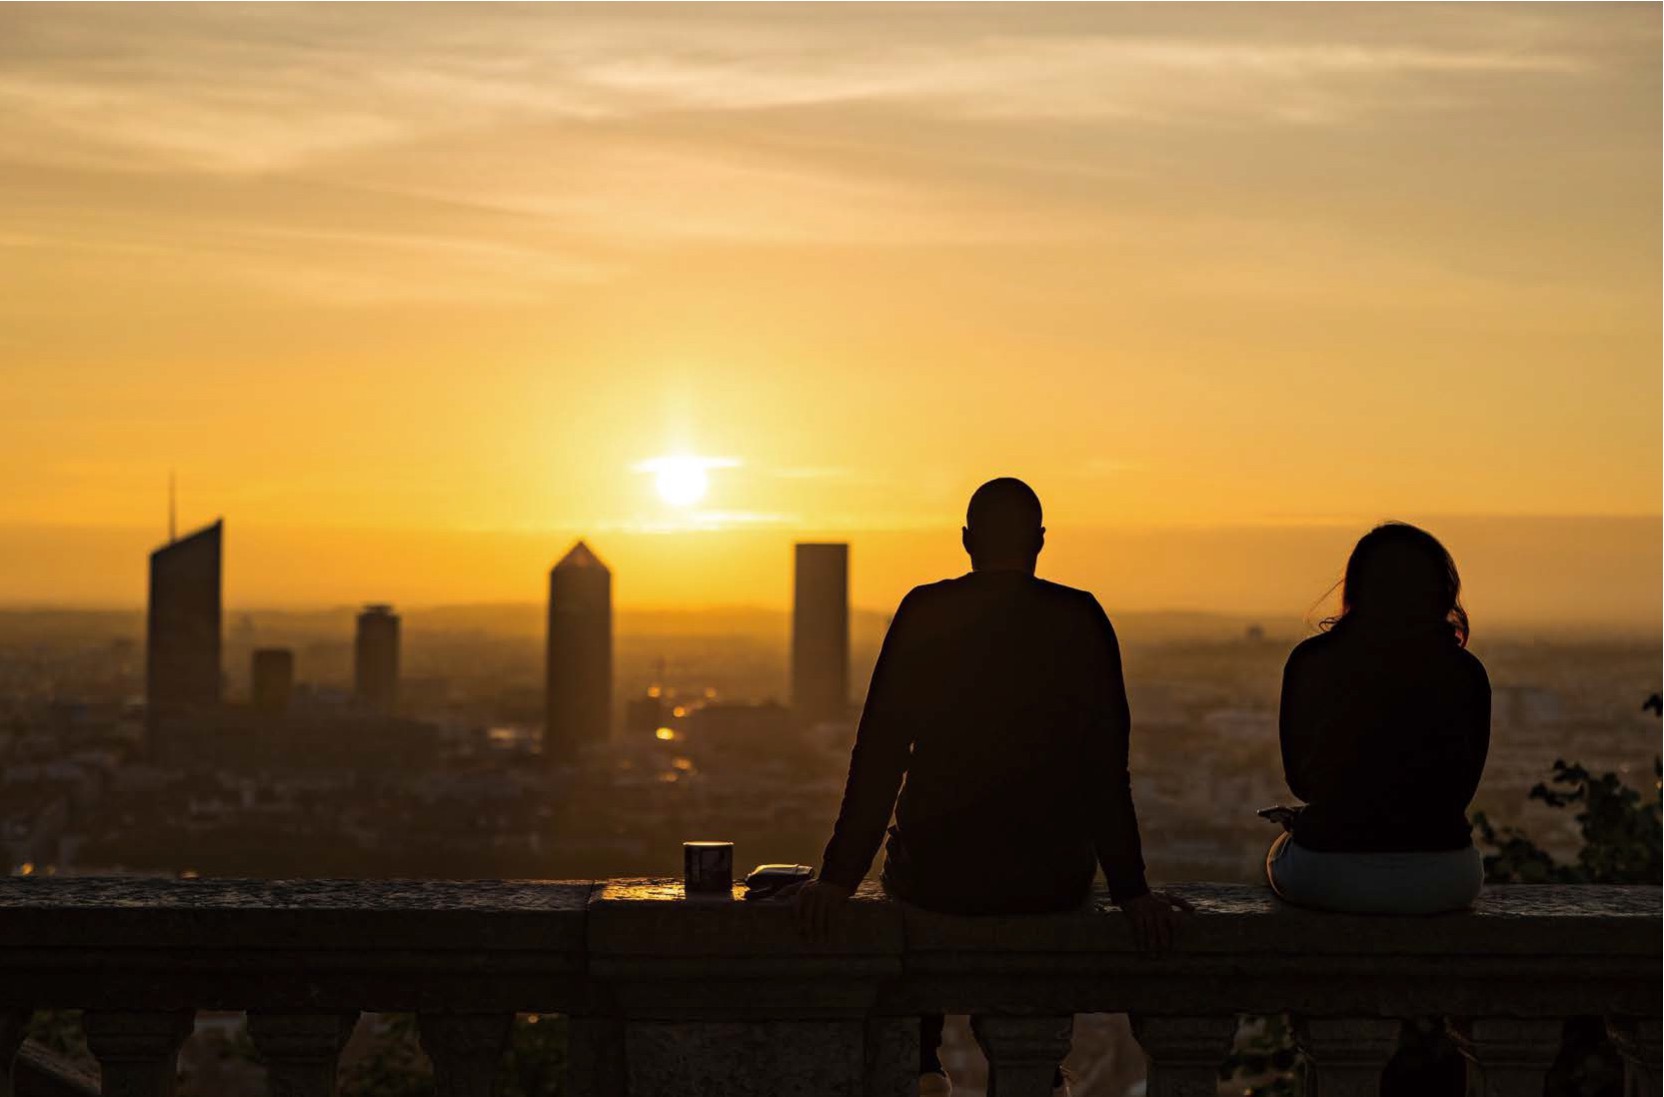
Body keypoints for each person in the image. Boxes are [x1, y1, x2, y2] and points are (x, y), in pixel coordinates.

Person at [791, 477, 1189, 1097]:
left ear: (967, 541)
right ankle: (1035, 1068)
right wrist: (1132, 891)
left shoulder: (925, 610)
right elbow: (1105, 773)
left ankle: (924, 1060)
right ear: (1040, 542)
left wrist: (838, 876)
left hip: (937, 873)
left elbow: (880, 756)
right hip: (1048, 878)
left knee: (909, 874)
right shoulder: (1079, 617)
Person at [1267, 522, 1491, 915]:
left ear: (1356, 587)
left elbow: (1302, 783)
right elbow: (1460, 792)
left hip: (1328, 871)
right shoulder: (1466, 671)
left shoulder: (1311, 662)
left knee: (1278, 854)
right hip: (1444, 876)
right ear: (1441, 591)